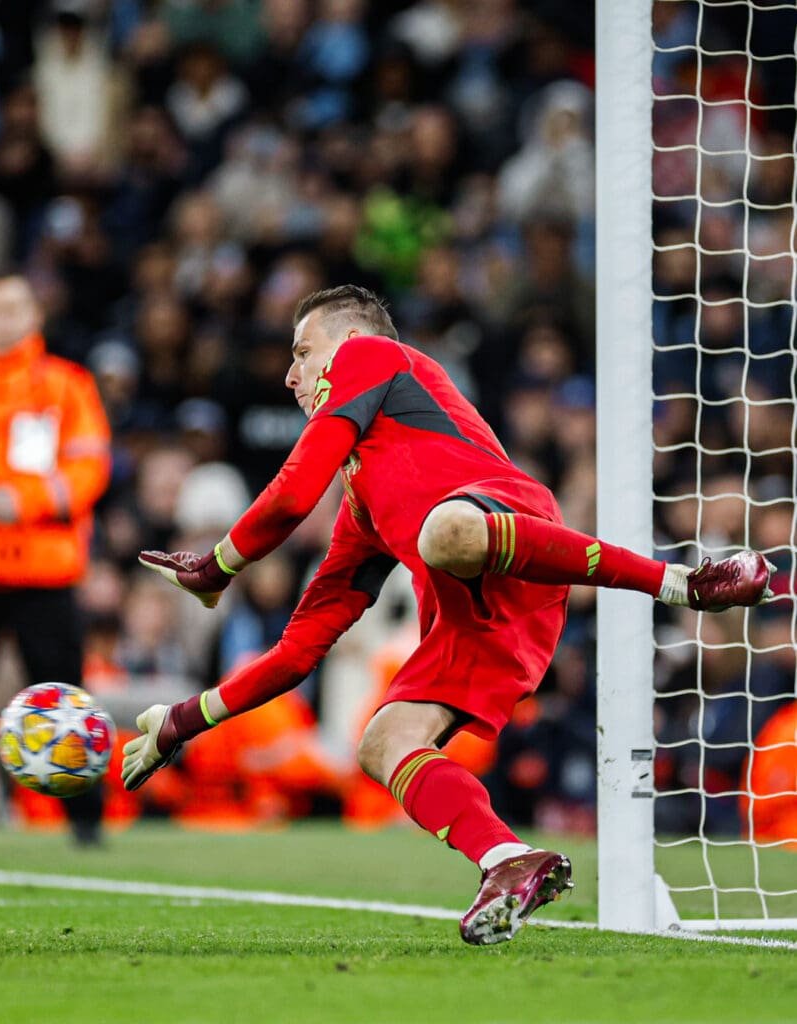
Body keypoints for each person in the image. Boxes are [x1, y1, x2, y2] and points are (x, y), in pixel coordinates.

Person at [123, 285, 775, 944]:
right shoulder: (364, 507)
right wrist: (183, 719)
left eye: (302, 352)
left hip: (509, 531)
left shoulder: (374, 354)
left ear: (346, 344)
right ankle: (507, 861)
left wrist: (217, 566)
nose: (291, 374)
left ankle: (682, 582)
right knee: (381, 742)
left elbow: (294, 492)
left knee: (444, 533)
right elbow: (298, 650)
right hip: (477, 618)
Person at [0, 273, 111, 843]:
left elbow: (91, 465)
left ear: (34, 314)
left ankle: (86, 825)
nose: (4, 318)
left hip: (47, 569)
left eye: (14, 307)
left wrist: (24, 501)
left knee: (65, 699)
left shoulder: (67, 385)